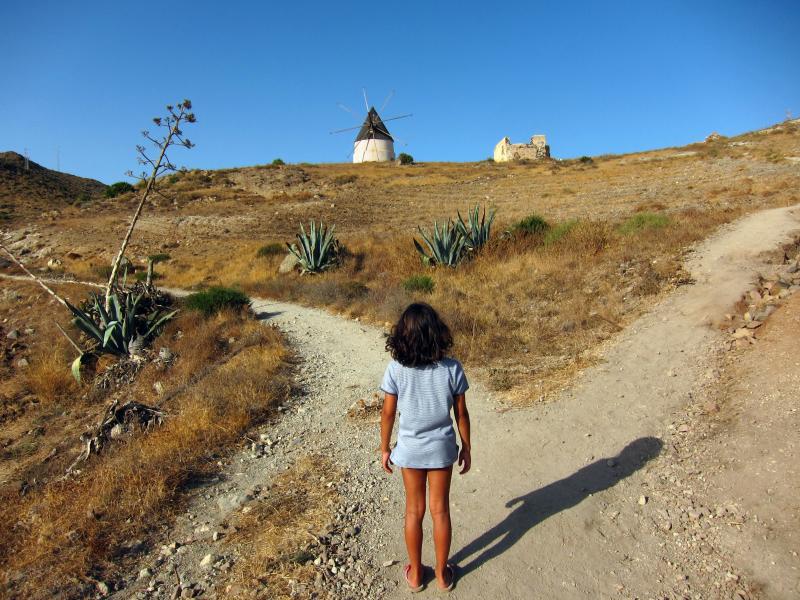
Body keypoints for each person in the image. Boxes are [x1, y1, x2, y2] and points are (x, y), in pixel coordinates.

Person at [380, 302, 472, 593]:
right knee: (440, 511)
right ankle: (443, 575)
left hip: (410, 451)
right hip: (442, 450)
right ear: (436, 332)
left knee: (413, 511)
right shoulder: (452, 368)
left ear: (402, 335)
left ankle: (417, 573)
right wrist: (466, 447)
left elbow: (387, 413)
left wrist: (384, 448)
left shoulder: (396, 369)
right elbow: (461, 414)